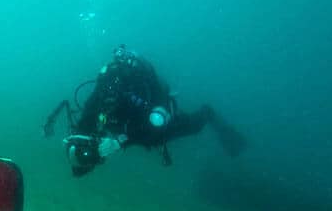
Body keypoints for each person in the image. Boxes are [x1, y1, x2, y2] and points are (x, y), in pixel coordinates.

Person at [46, 44, 246, 176]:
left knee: (163, 135)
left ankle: (208, 114)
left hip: (152, 122)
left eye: (112, 98)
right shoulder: (101, 91)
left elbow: (155, 125)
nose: (107, 101)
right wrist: (78, 147)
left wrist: (120, 141)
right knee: (118, 129)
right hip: (128, 126)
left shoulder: (138, 91)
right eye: (104, 96)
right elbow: (86, 120)